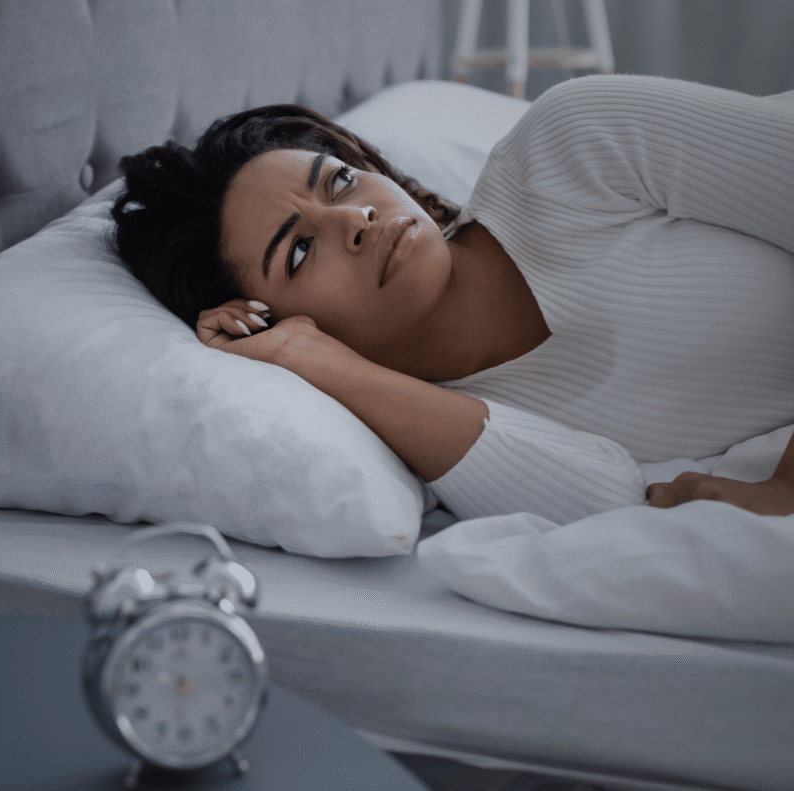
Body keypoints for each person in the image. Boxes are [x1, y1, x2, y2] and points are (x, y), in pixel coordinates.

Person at [111, 74, 794, 524]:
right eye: (299, 251)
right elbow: (610, 505)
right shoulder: (428, 424)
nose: (355, 220)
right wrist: (311, 361)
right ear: (274, 319)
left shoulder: (571, 143)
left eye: (340, 182)